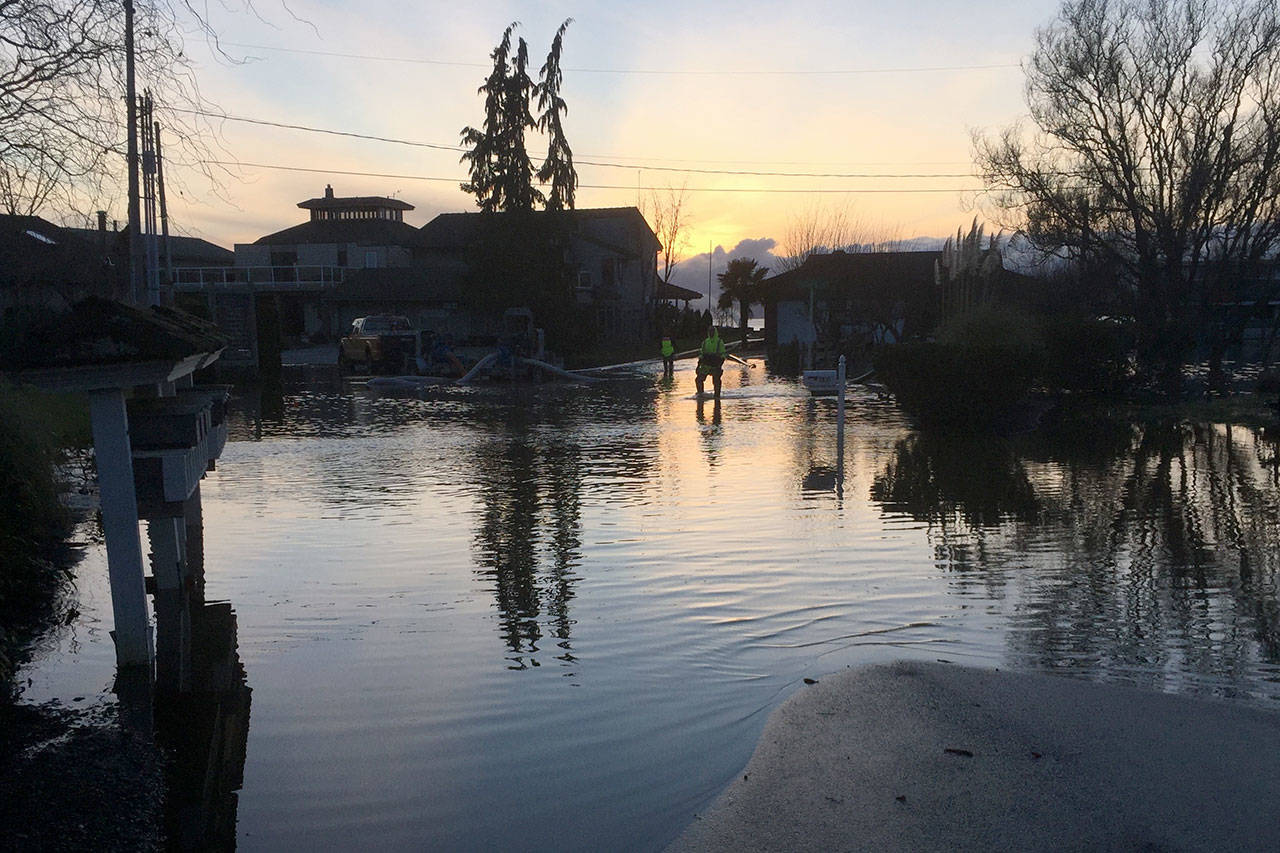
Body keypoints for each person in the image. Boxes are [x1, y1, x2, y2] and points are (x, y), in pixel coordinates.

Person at [695, 324, 726, 399]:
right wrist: (698, 366)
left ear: (715, 332)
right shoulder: (705, 342)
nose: (711, 332)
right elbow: (701, 355)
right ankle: (700, 394)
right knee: (698, 380)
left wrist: (719, 365)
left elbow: (722, 355)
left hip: (716, 364)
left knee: (716, 381)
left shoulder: (719, 342)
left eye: (712, 331)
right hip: (706, 365)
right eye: (709, 331)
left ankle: (717, 396)